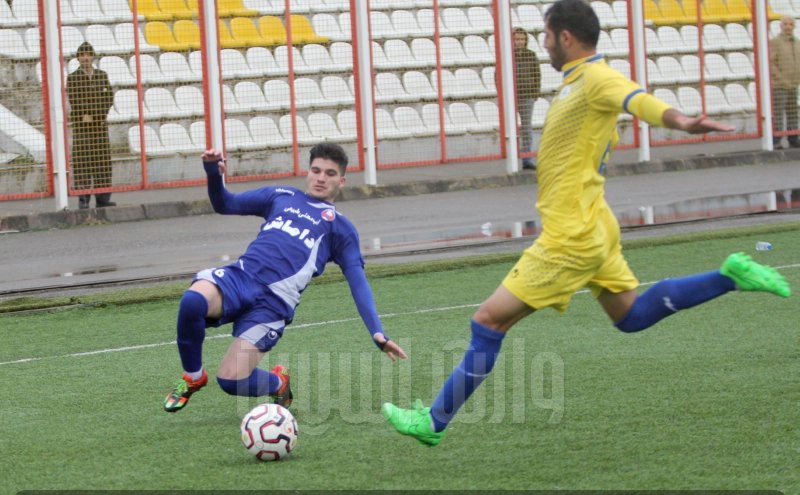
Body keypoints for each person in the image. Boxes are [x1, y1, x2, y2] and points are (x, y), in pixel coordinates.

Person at [383, 0, 791, 447]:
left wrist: (681, 121)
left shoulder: (596, 77)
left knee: (487, 323)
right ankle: (728, 276)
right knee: (631, 315)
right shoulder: (574, 83)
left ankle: (434, 422)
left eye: (546, 35)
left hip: (571, 236)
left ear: (566, 37)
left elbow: (637, 100)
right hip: (594, 224)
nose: (543, 43)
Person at [163, 143, 407, 412]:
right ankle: (194, 377)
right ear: (308, 172)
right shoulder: (280, 195)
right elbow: (225, 203)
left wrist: (378, 334)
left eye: (330, 173)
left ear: (342, 181)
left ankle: (278, 382)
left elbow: (358, 283)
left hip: (273, 305)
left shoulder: (341, 228)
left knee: (230, 381)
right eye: (316, 170)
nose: (321, 178)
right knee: (192, 302)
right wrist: (212, 172)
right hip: (240, 278)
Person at [66, 41, 115, 209]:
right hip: (82, 126)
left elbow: (109, 97)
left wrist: (98, 115)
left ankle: (103, 198)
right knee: (82, 161)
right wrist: (87, 114)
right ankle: (83, 198)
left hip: (99, 125)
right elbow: (75, 99)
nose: (86, 58)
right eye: (82, 55)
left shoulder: (102, 75)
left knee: (102, 161)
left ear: (93, 56)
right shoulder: (72, 77)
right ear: (78, 58)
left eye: (88, 54)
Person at [513, 27, 542, 170]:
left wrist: (534, 93)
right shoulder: (507, 56)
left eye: (521, 39)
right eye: (516, 39)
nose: (519, 42)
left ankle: (527, 159)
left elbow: (537, 75)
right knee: (511, 130)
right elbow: (497, 75)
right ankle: (512, 158)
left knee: (526, 128)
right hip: (511, 97)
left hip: (527, 96)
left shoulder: (531, 55)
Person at [770, 15, 800, 149]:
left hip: (794, 83)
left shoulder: (797, 42)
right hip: (780, 84)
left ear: (794, 26)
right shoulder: (775, 42)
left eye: (791, 24)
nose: (788, 27)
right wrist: (779, 77)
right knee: (778, 112)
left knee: (793, 111)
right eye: (786, 24)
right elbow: (771, 62)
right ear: (781, 26)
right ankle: (776, 139)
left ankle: (793, 137)